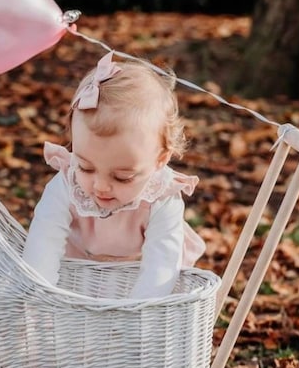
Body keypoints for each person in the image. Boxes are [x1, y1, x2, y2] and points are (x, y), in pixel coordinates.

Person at [22, 51, 205, 299]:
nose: (100, 186)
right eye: (86, 167)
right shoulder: (67, 182)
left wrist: (133, 314)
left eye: (122, 177)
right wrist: (43, 296)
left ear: (160, 160)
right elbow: (43, 243)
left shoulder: (162, 197)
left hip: (134, 275)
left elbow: (160, 270)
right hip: (74, 271)